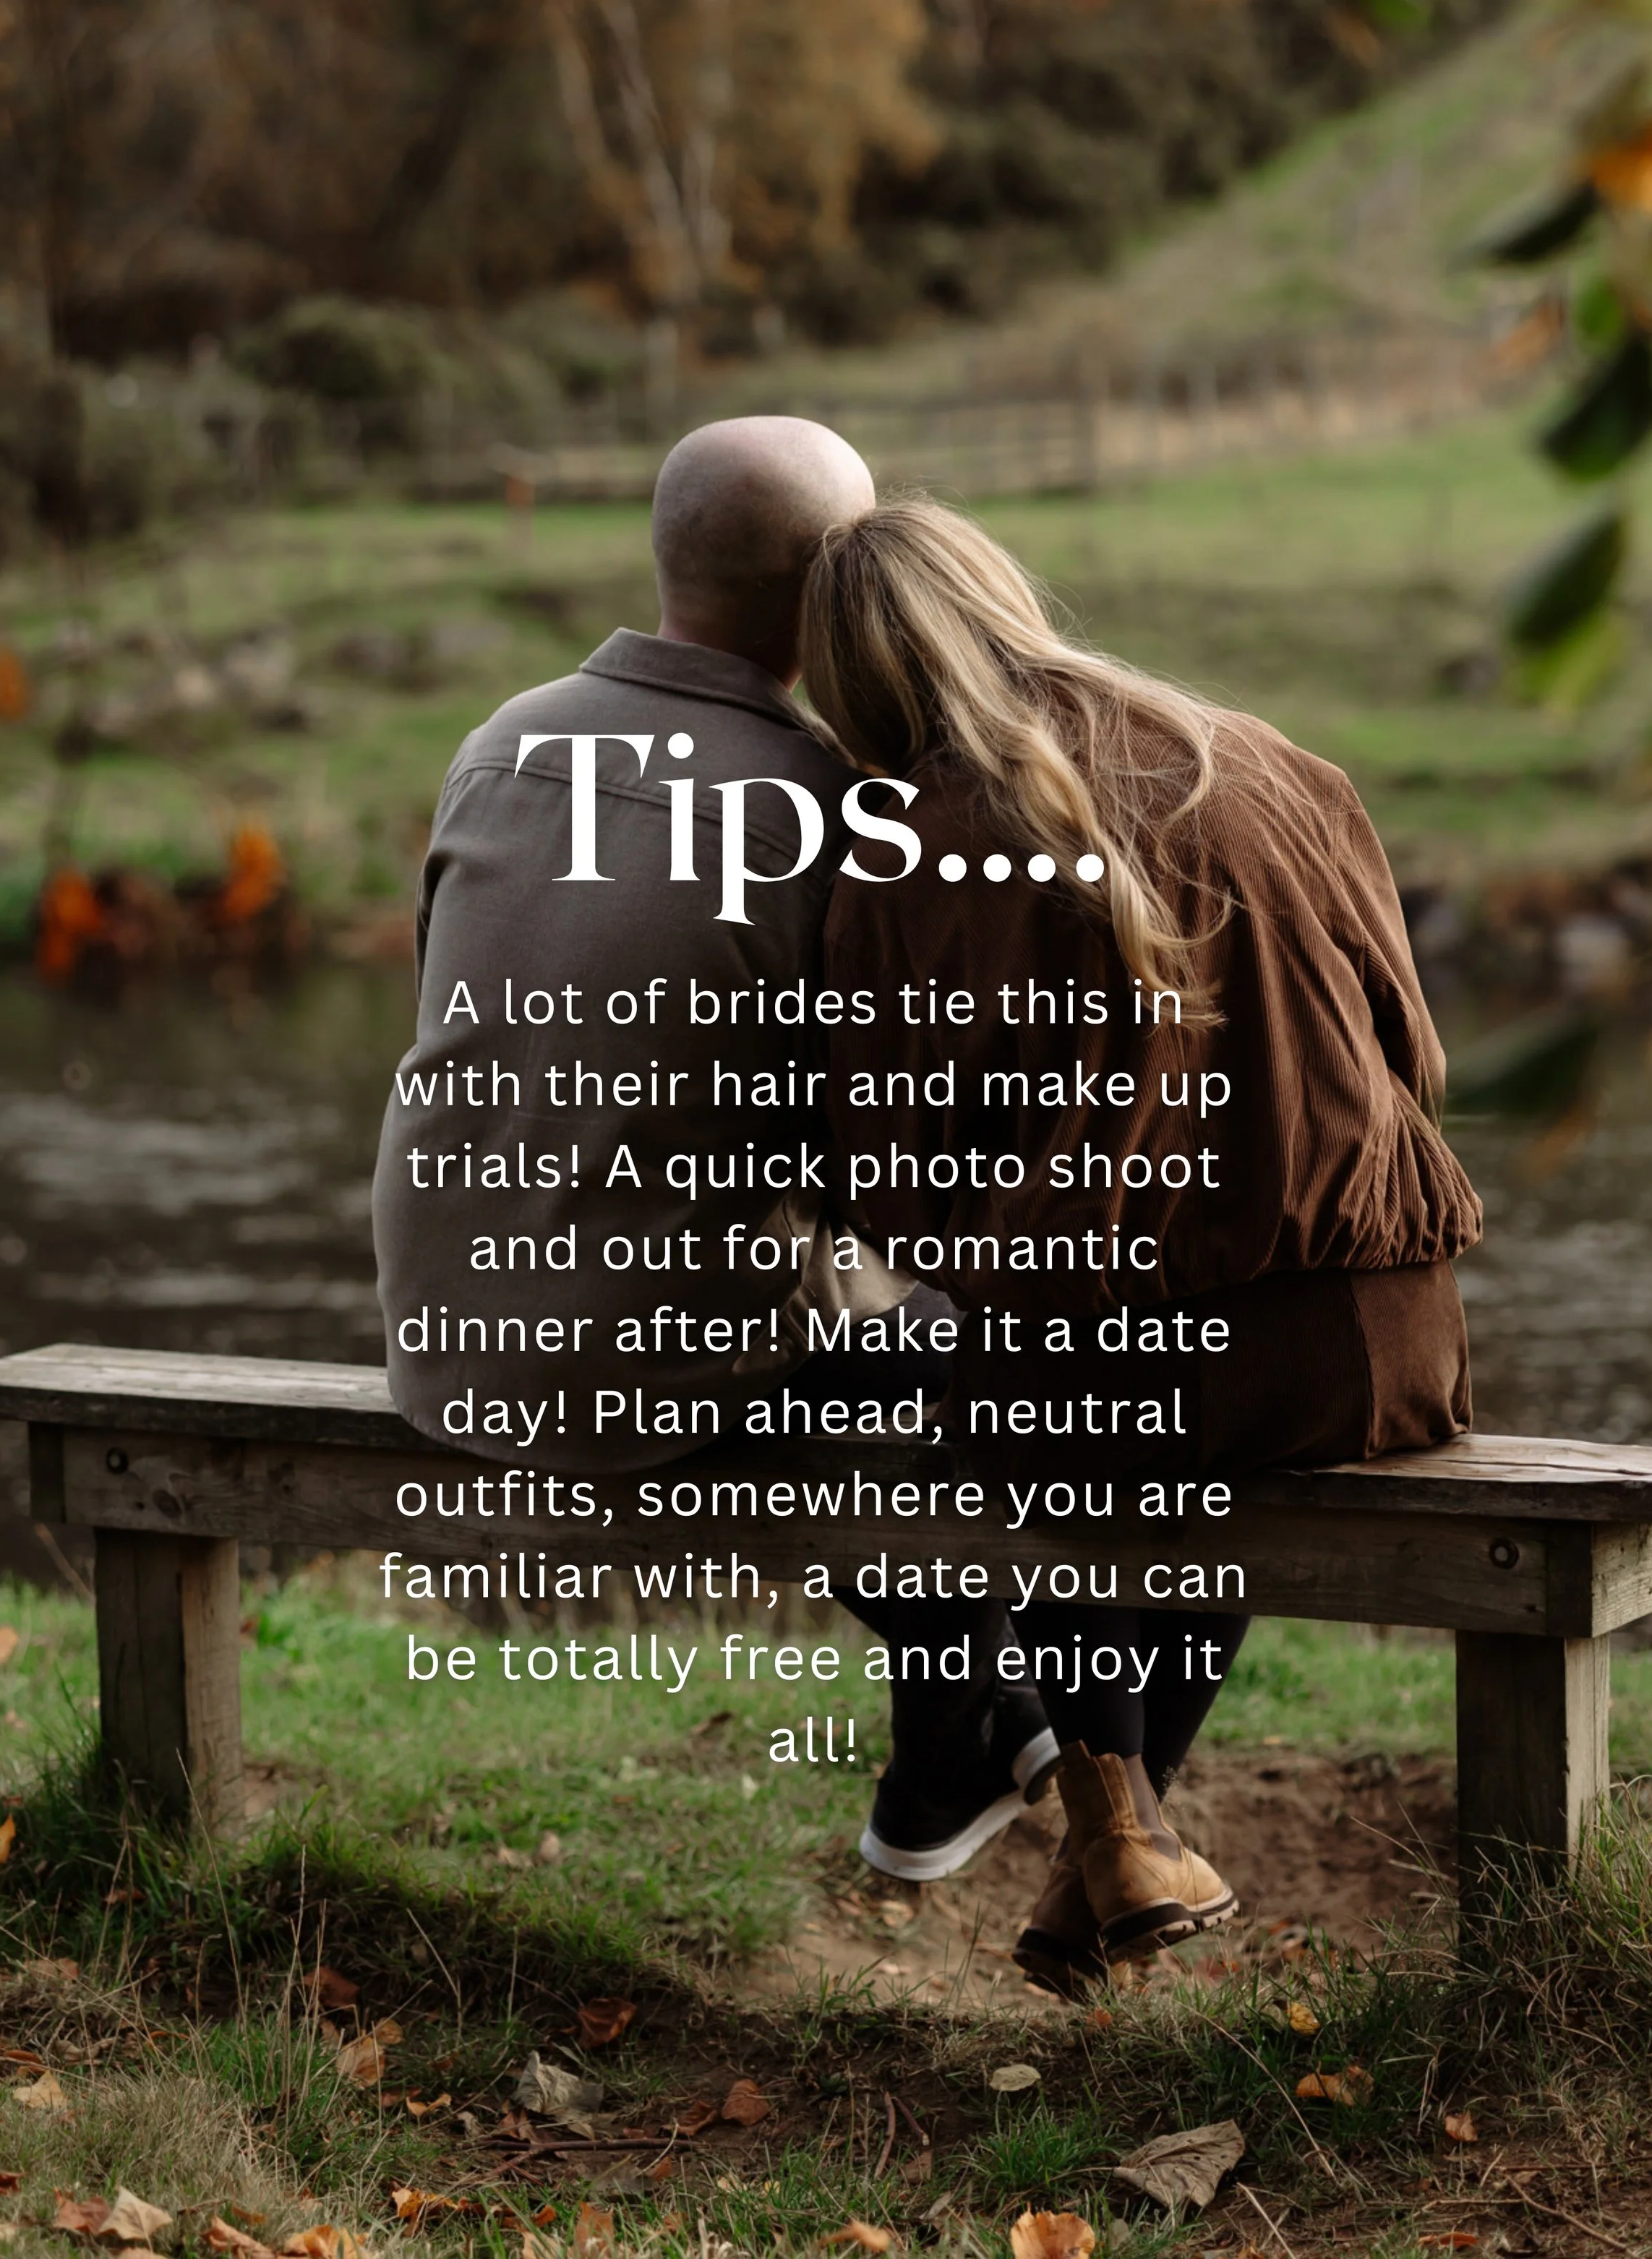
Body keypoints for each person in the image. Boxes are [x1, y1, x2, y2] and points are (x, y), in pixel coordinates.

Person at [800, 495, 1484, 1994]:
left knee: (917, 1378)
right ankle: (1110, 1844)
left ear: (845, 686)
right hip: (1379, 1343)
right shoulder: (1264, 755)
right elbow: (1414, 1057)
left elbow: (890, 1201)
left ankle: (1056, 1786)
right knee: (1128, 1408)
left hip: (1126, 1381)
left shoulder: (904, 848)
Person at [372, 421, 1058, 1887]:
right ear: (841, 592)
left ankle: (986, 1730)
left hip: (443, 1336)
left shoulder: (497, 741)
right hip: (635, 1383)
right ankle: (1018, 1725)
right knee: (1012, 1349)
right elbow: (880, 1160)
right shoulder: (828, 808)